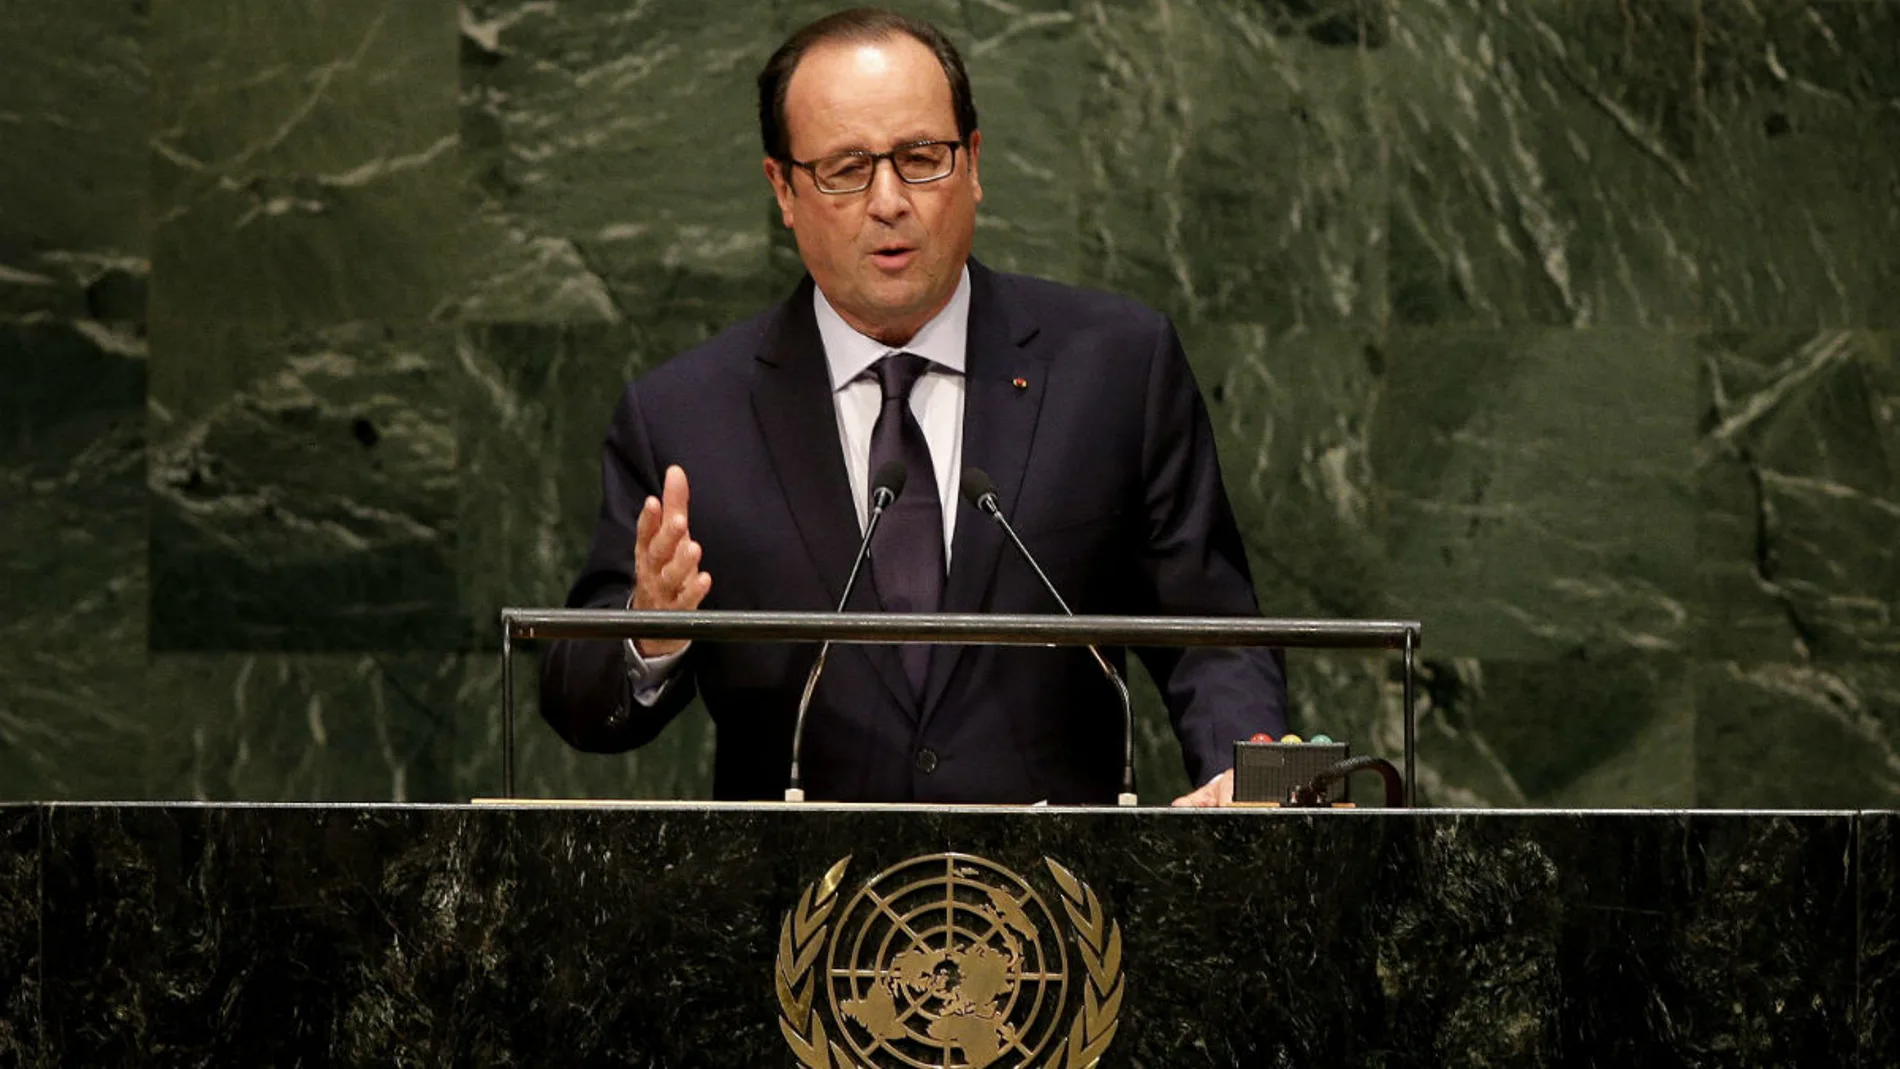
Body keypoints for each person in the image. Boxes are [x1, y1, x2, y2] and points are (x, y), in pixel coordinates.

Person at [539, 7, 1287, 805]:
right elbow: (581, 701)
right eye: (846, 169)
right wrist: (649, 629)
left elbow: (1215, 633)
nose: (889, 200)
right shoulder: (686, 415)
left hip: (1060, 910)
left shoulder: (1115, 369)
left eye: (921, 158)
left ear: (973, 162)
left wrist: (1244, 767)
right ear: (783, 189)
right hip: (805, 916)